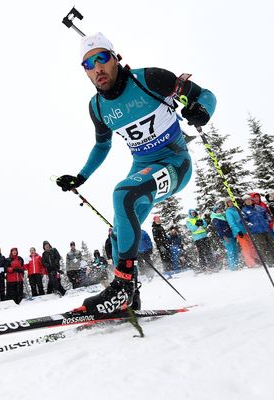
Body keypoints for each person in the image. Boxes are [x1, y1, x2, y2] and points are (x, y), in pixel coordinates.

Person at [56, 32, 215, 313]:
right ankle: (129, 297)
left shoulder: (150, 79)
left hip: (175, 163)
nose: (97, 68)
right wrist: (80, 177)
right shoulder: (97, 107)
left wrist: (201, 110)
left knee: (124, 193)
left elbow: (203, 95)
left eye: (102, 58)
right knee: (118, 232)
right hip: (143, 168)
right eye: (88, 65)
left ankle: (122, 286)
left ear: (116, 58)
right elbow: (102, 145)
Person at [242, 195, 274, 266]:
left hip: (265, 229)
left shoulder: (258, 207)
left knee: (271, 244)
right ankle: (270, 261)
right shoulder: (244, 210)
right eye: (246, 200)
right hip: (256, 232)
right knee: (263, 247)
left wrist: (267, 221)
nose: (248, 201)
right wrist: (251, 225)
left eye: (249, 199)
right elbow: (243, 221)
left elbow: (266, 215)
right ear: (244, 202)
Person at [250, 192, 274, 264]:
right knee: (265, 244)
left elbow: (268, 214)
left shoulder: (263, 204)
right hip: (260, 229)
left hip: (268, 227)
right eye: (254, 197)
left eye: (258, 197)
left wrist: (270, 222)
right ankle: (270, 259)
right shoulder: (252, 207)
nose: (256, 198)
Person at [224, 197, 259, 268]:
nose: (231, 203)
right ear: (227, 204)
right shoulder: (228, 211)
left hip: (245, 230)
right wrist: (238, 231)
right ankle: (250, 263)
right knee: (245, 247)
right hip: (239, 232)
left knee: (251, 245)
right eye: (229, 202)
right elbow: (231, 222)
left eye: (231, 201)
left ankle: (256, 260)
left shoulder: (237, 208)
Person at [210, 204, 240, 271]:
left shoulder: (222, 216)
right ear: (215, 212)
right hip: (225, 236)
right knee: (230, 251)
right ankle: (233, 266)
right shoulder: (215, 218)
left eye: (219, 209)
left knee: (234, 249)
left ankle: (236, 264)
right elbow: (218, 229)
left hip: (230, 234)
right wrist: (224, 236)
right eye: (217, 210)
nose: (219, 211)